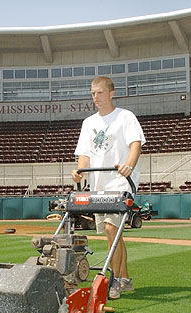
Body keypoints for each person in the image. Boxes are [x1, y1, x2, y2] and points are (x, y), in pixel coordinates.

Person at [71, 76, 145, 300]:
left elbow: (136, 145)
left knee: (113, 230)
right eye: (93, 93)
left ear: (111, 93)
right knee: (113, 233)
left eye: (100, 93)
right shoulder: (88, 123)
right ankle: (125, 279)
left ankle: (113, 280)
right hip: (99, 186)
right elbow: (84, 155)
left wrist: (128, 166)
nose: (96, 97)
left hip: (121, 182)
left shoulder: (125, 117)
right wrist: (79, 172)